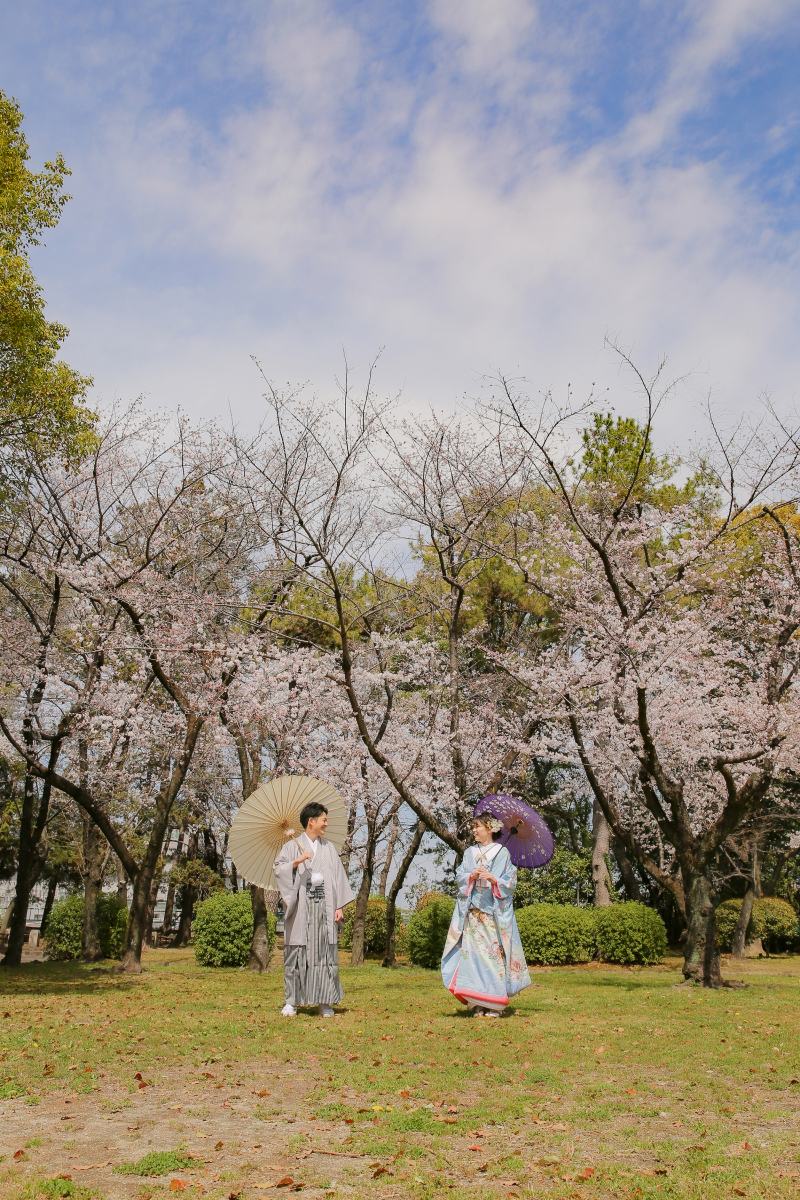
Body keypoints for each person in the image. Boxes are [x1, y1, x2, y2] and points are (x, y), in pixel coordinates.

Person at [440, 812, 531, 1016]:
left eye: (477, 826)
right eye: (473, 827)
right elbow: (460, 875)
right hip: (472, 913)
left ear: (490, 829)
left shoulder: (502, 853)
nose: (473, 830)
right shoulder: (470, 853)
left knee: (492, 958)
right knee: (472, 958)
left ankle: (494, 1003)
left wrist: (494, 879)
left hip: (491, 914)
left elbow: (511, 882)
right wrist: (471, 876)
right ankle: (477, 1003)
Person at [273, 801, 355, 1017]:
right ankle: (292, 1002)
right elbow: (278, 869)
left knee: (324, 954)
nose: (326, 824)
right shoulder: (291, 846)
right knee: (297, 954)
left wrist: (339, 906)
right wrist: (296, 861)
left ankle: (324, 1001)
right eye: (324, 820)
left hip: (324, 907)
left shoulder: (329, 849)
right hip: (301, 907)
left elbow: (338, 878)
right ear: (311, 821)